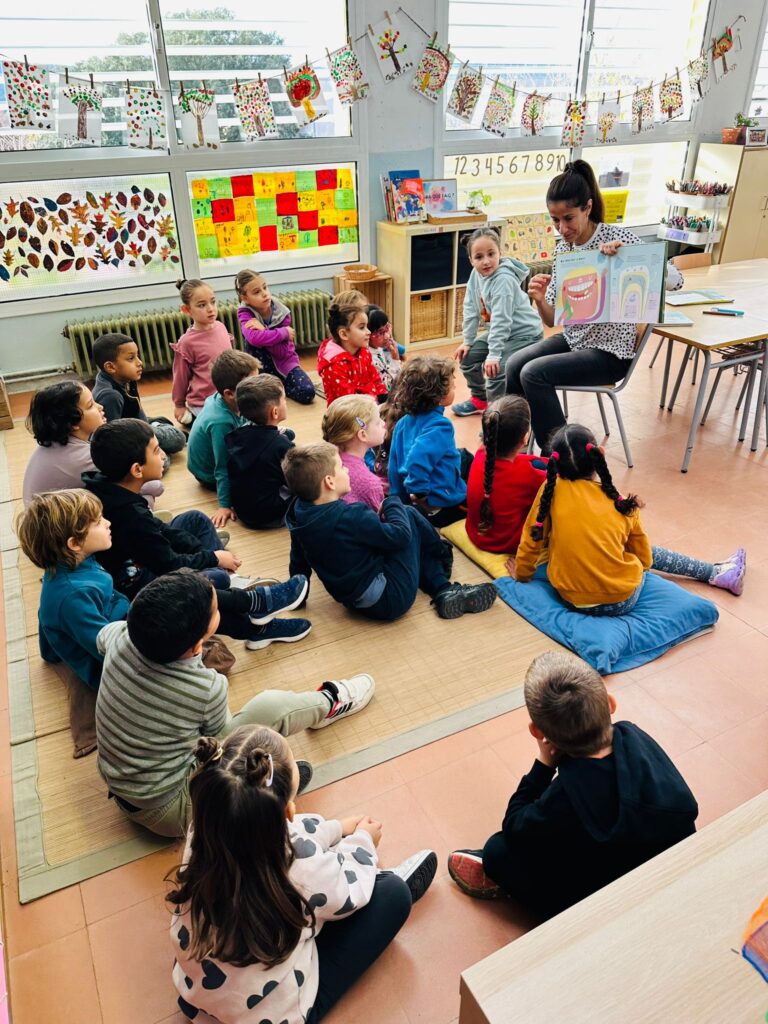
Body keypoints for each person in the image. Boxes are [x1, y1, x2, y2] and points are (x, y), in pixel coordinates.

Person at [167, 725, 438, 1024]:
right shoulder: (303, 870)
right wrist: (362, 841)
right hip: (273, 1014)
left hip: (196, 998)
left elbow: (292, 837)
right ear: (288, 812)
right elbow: (346, 888)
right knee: (393, 894)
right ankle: (390, 880)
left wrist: (336, 828)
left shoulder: (203, 831)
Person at [96, 570, 376, 837]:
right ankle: (328, 704)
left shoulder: (119, 634)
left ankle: (265, 781)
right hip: (173, 811)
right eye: (216, 608)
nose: (221, 605)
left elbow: (101, 641)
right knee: (268, 711)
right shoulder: (206, 688)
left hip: (122, 787)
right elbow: (226, 747)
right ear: (197, 645)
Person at [447, 650, 698, 917]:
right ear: (610, 704)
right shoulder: (635, 737)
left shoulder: (563, 796)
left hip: (609, 900)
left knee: (497, 851)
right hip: (673, 871)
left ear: (537, 731)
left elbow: (514, 825)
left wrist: (543, 766)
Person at [84, 419, 312, 649]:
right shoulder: (130, 517)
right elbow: (168, 563)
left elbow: (159, 529)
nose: (163, 456)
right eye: (156, 450)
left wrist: (207, 555)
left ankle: (222, 585)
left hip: (143, 556)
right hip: (140, 586)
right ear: (136, 469)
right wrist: (212, 558)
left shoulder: (108, 487)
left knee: (195, 520)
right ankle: (254, 618)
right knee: (198, 590)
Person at [504, 160, 684, 451]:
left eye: (569, 218)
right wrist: (539, 298)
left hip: (611, 353)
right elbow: (552, 320)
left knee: (533, 373)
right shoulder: (564, 250)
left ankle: (562, 459)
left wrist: (629, 257)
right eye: (555, 220)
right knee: (514, 364)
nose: (562, 228)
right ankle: (511, 450)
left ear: (587, 208)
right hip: (575, 340)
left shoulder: (616, 237)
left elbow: (676, 281)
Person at [511, 423, 745, 614]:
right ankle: (715, 573)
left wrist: (521, 573)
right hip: (621, 601)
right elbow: (645, 560)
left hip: (570, 598)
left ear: (553, 462)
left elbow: (532, 538)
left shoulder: (549, 490)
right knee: (650, 552)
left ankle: (716, 572)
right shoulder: (621, 503)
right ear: (600, 454)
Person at [283, 441, 497, 622]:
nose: (347, 470)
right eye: (341, 467)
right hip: (390, 599)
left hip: (353, 600)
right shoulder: (351, 515)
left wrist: (297, 597)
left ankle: (442, 586)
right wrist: (391, 501)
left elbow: (298, 563)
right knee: (407, 514)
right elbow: (400, 536)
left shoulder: (299, 516)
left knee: (403, 519)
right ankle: (442, 574)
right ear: (329, 482)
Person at [16, 489, 128, 691]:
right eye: (98, 522)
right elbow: (109, 649)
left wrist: (49, 652)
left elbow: (45, 616)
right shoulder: (73, 596)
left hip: (114, 617)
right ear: (75, 543)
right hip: (111, 667)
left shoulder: (71, 566)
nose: (108, 523)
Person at [22, 380, 163, 510]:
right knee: (143, 499)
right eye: (90, 405)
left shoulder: (54, 445)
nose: (100, 407)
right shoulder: (83, 457)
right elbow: (155, 486)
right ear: (73, 423)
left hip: (46, 521)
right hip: (59, 527)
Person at [452, 227, 544, 416]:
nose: (486, 261)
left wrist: (494, 355)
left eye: (491, 254)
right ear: (471, 260)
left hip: (525, 335)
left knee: (495, 370)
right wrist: (467, 341)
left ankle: (496, 419)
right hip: (504, 333)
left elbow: (502, 321)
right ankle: (480, 400)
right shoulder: (476, 275)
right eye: (479, 257)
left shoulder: (503, 280)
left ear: (500, 253)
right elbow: (470, 308)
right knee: (467, 359)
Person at [387, 356, 472, 529]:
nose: (455, 387)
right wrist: (421, 496)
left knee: (465, 456)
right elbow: (416, 461)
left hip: (412, 498)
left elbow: (393, 466)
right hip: (441, 502)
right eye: (451, 385)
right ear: (438, 396)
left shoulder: (402, 422)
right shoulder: (441, 426)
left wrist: (400, 502)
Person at [186, 349, 260, 528]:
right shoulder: (220, 422)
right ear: (229, 394)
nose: (258, 389)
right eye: (251, 386)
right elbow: (222, 466)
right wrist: (224, 505)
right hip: (208, 475)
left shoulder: (227, 400)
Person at [466, 396, 548, 554]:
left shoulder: (480, 454)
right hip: (506, 543)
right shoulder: (528, 475)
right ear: (524, 439)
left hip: (476, 533)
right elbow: (556, 481)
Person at [91, 332, 187, 455]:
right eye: (131, 358)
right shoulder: (110, 396)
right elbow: (112, 438)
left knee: (164, 421)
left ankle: (155, 430)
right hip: (131, 437)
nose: (140, 362)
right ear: (110, 367)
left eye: (138, 356)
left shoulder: (121, 378)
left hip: (135, 424)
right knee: (178, 439)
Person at [235, 269, 316, 405]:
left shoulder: (283, 313)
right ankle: (275, 390)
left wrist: (263, 331)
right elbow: (254, 339)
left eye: (265, 287)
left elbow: (282, 352)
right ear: (245, 298)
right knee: (252, 400)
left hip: (285, 362)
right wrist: (283, 333)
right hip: (259, 369)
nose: (264, 293)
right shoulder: (245, 313)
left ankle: (279, 388)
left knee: (308, 392)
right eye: (256, 292)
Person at [226, 374, 295, 529]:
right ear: (275, 412)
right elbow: (297, 482)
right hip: (268, 515)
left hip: (243, 510)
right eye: (284, 400)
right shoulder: (282, 446)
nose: (286, 402)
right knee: (309, 486)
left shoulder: (236, 435)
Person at [171, 278, 233, 425]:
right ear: (186, 310)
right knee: (222, 426)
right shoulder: (186, 342)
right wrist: (179, 405)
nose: (210, 309)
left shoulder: (221, 327)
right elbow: (180, 378)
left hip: (228, 397)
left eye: (213, 302)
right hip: (203, 402)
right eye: (202, 305)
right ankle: (193, 419)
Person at [317, 294, 387, 406]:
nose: (368, 332)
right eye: (362, 327)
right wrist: (374, 402)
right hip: (351, 412)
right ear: (344, 334)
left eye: (367, 326)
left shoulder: (363, 351)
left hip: (371, 405)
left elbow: (375, 378)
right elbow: (349, 402)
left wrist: (383, 396)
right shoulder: (334, 365)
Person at [321, 395, 387, 511]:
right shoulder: (370, 484)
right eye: (377, 422)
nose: (383, 423)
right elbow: (378, 520)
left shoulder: (324, 461)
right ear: (362, 435)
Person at [366, 304, 404, 393]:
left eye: (387, 328)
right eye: (380, 332)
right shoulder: (370, 359)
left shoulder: (378, 348)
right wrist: (395, 358)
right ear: (368, 334)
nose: (387, 336)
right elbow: (390, 387)